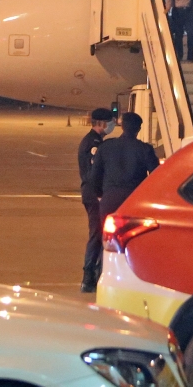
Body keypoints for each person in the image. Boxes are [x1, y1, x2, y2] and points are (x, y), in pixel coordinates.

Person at [91, 112, 160, 219]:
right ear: (139, 128)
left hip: (110, 199)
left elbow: (95, 175)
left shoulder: (106, 146)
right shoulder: (145, 149)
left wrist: (101, 194)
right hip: (135, 199)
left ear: (122, 126)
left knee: (107, 233)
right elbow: (156, 176)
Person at [78, 107, 115, 293]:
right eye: (111, 122)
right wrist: (101, 193)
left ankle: (93, 274)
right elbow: (94, 174)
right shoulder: (93, 144)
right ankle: (88, 276)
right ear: (101, 123)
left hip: (91, 193)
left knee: (99, 233)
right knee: (96, 234)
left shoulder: (95, 141)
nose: (113, 125)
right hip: (94, 194)